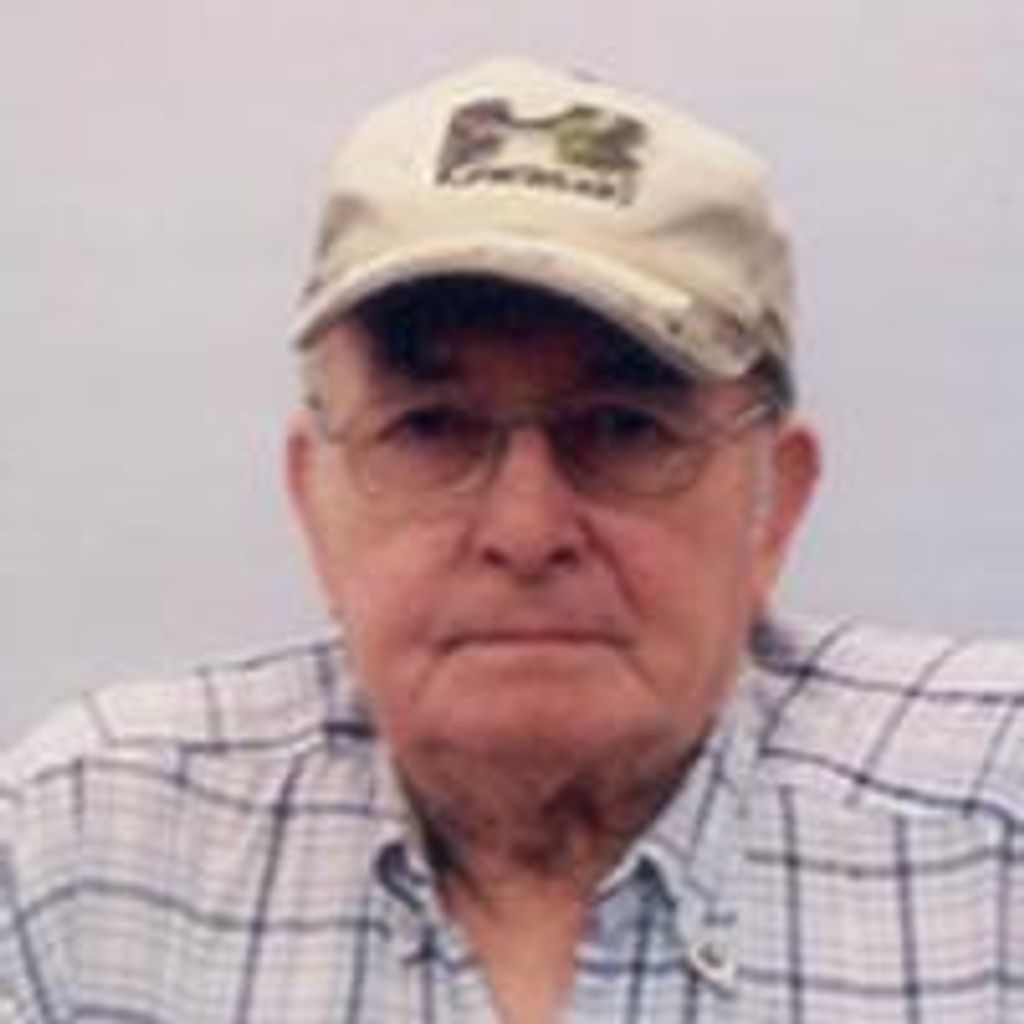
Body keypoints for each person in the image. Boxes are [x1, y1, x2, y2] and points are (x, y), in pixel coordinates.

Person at [2, 56, 1022, 1024]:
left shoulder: (994, 838)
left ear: (774, 506)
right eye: (430, 429)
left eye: (623, 429)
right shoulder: (89, 861)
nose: (526, 532)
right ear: (314, 504)